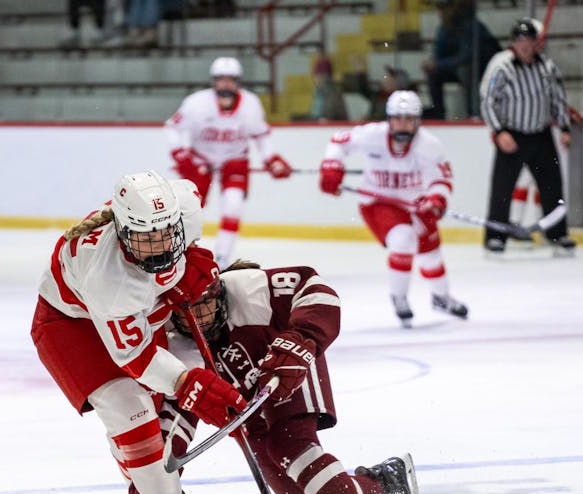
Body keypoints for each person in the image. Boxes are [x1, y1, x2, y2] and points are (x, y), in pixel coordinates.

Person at [127, 261, 423, 494]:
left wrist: (302, 338)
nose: (200, 318)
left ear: (219, 293)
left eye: (206, 304)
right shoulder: (170, 345)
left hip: (288, 368)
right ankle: (385, 480)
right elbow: (176, 418)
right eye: (188, 311)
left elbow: (316, 289)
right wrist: (150, 484)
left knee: (289, 443)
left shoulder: (249, 289)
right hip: (247, 408)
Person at [30, 170, 247, 494]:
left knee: (153, 419)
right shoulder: (110, 280)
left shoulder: (181, 211)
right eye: (146, 239)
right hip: (69, 326)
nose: (160, 247)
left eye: (167, 235)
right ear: (123, 231)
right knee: (131, 415)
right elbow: (137, 357)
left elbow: (189, 199)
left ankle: (144, 489)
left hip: (135, 312)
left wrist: (190, 265)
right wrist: (189, 384)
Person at [318, 90, 469, 328]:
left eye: (409, 119)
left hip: (415, 204)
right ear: (389, 119)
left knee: (431, 255)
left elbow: (441, 179)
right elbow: (338, 142)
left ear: (417, 120)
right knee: (403, 239)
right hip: (378, 202)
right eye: (398, 119)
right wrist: (332, 167)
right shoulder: (372, 135)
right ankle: (399, 298)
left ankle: (441, 298)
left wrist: (437, 199)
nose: (403, 125)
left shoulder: (430, 145)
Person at [164, 56, 294, 269]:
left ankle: (222, 259)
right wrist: (180, 155)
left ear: (238, 81)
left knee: (233, 207)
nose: (225, 84)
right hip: (200, 160)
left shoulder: (251, 104)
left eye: (230, 79)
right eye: (220, 79)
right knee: (189, 209)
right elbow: (172, 127)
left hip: (235, 160)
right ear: (213, 81)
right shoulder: (196, 103)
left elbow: (260, 135)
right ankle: (180, 254)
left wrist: (271, 159)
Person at [479, 18, 575, 254]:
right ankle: (496, 236)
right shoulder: (501, 66)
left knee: (552, 187)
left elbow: (558, 98)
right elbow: (488, 100)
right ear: (513, 43)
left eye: (528, 40)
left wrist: (564, 127)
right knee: (502, 189)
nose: (524, 45)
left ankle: (557, 234)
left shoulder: (547, 67)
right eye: (519, 40)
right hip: (513, 135)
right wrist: (499, 131)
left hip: (541, 135)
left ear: (535, 43)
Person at [421, 0, 501, 119]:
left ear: (454, 8)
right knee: (434, 73)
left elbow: (465, 57)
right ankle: (439, 114)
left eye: (445, 8)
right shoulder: (443, 28)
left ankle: (473, 114)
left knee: (466, 70)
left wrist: (438, 64)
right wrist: (433, 64)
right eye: (440, 9)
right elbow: (438, 54)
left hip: (482, 69)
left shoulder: (471, 25)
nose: (441, 13)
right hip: (456, 69)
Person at [309, 48, 349, 122]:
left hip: (332, 124)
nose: (316, 79)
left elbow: (330, 112)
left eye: (318, 76)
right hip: (322, 123)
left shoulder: (331, 91)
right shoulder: (319, 90)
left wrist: (323, 119)